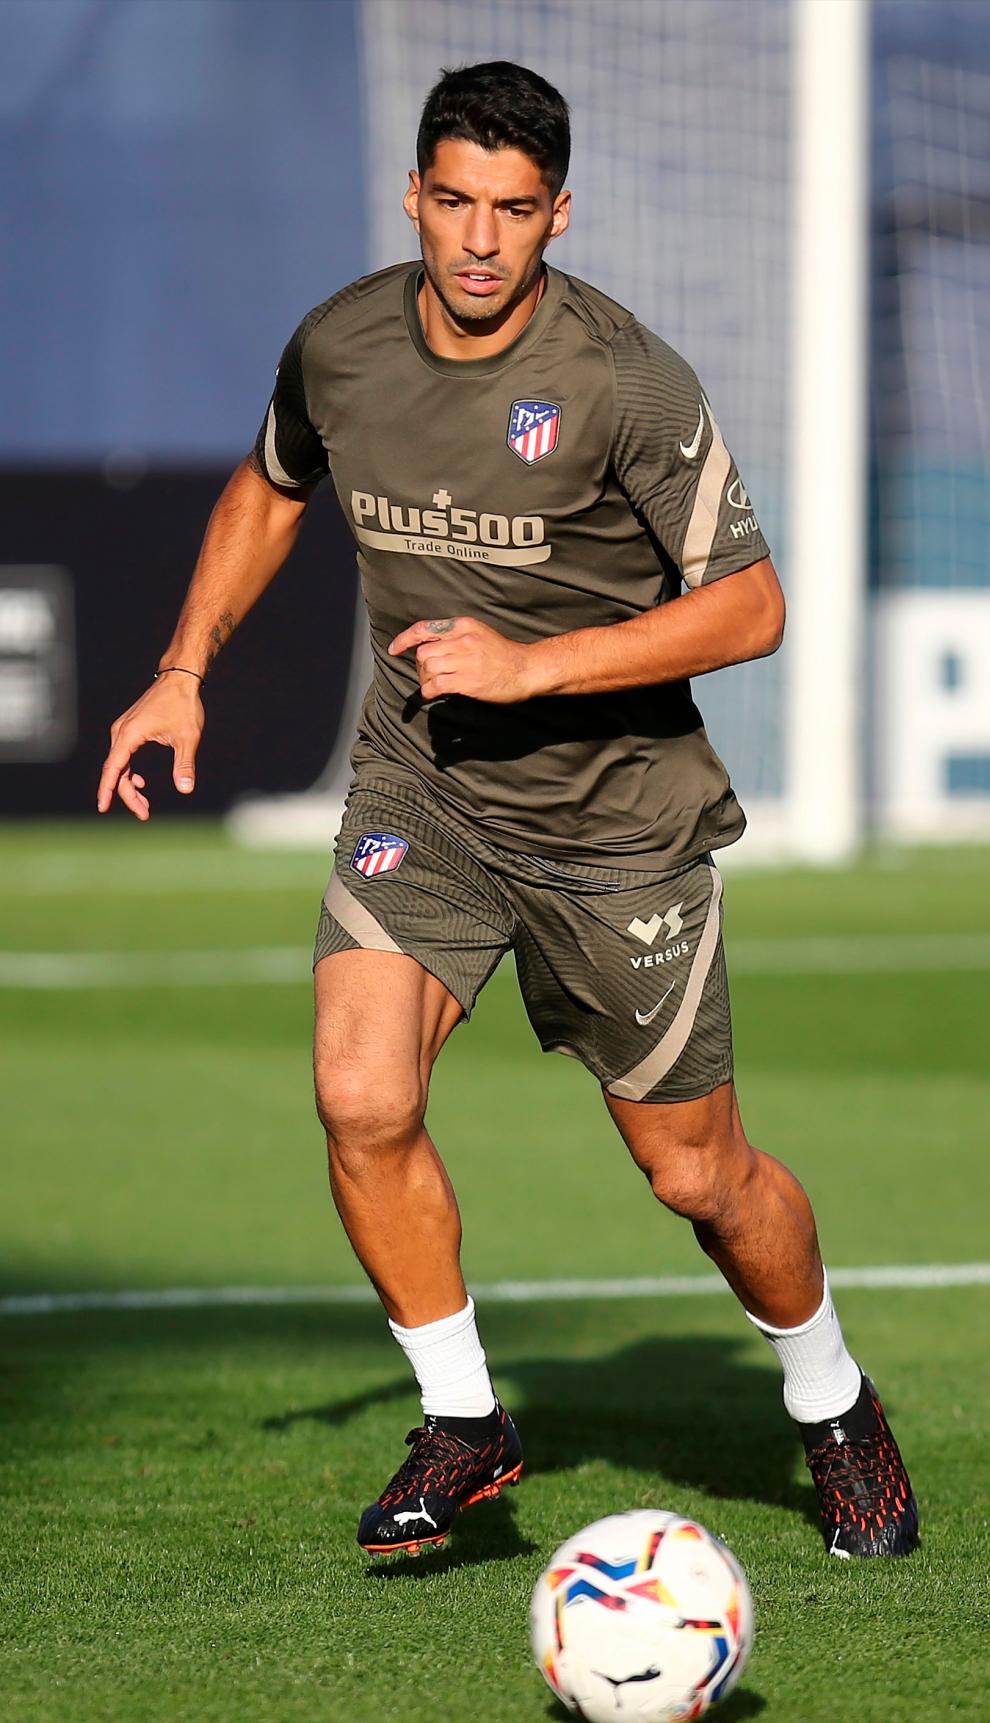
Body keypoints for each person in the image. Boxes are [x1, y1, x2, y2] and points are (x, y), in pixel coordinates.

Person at [94, 61, 917, 1562]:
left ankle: (834, 1402)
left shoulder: (625, 376)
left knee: (698, 1176)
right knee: (361, 1095)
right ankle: (466, 1421)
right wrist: (179, 669)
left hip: (617, 827)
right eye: (456, 202)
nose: (480, 239)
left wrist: (534, 668)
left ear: (558, 216)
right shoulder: (341, 343)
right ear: (415, 194)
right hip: (426, 790)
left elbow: (751, 608)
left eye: (515, 211)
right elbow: (272, 489)